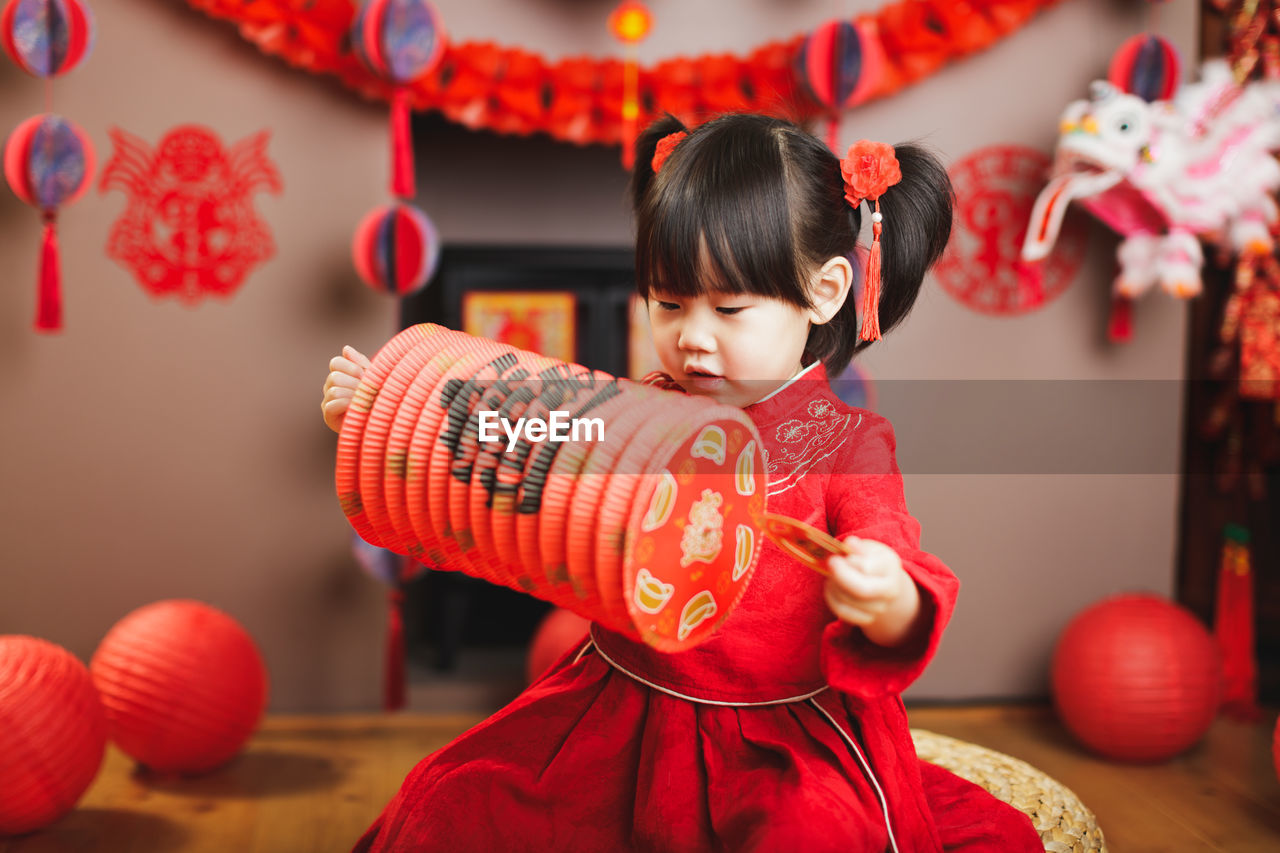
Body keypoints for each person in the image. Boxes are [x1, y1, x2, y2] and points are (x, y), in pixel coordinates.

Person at [321, 113, 1042, 852]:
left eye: (729, 308)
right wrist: (386, 414)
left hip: (776, 738)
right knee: (452, 798)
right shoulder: (645, 409)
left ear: (824, 293)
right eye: (669, 303)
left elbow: (895, 550)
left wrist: (886, 597)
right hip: (619, 713)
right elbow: (521, 446)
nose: (693, 336)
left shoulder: (845, 444)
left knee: (809, 834)